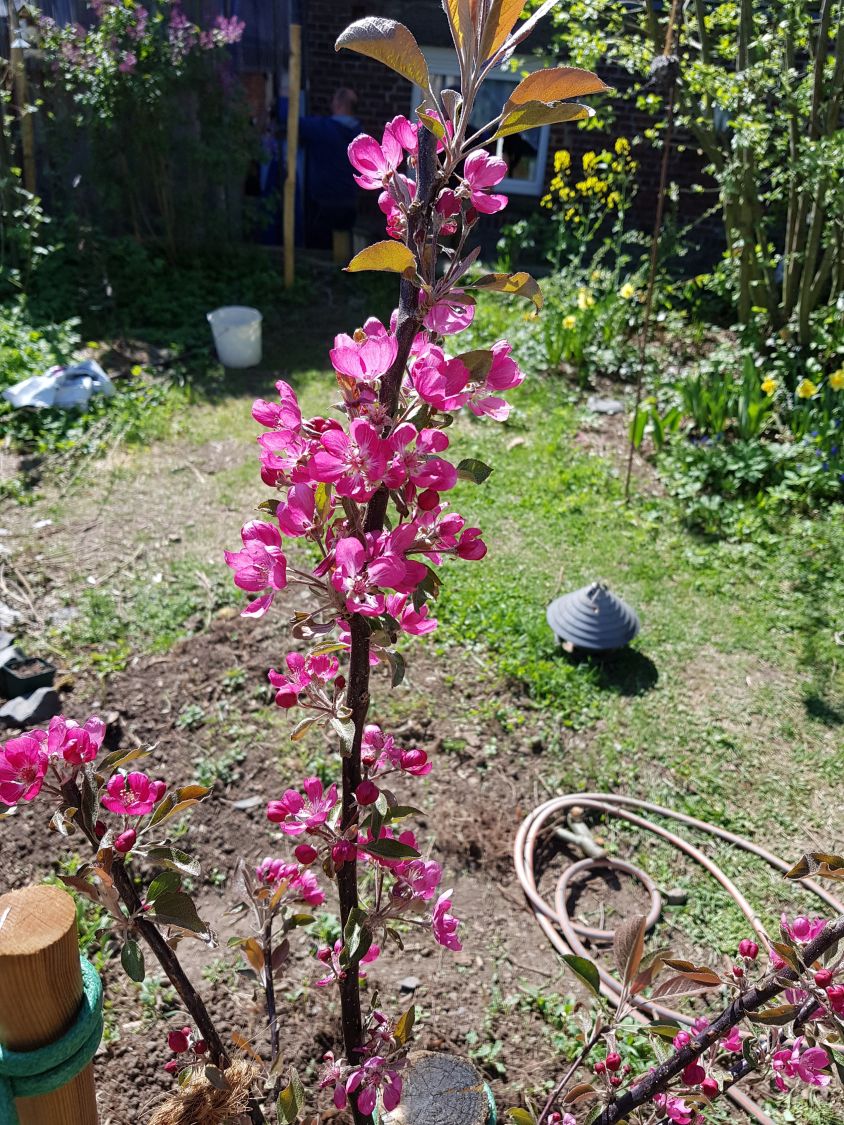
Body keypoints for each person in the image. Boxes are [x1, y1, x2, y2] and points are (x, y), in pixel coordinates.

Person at [298, 88, 362, 251]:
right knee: (343, 251)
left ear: (339, 104)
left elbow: (290, 121)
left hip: (323, 203)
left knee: (320, 250)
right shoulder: (360, 134)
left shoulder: (322, 128)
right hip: (349, 203)